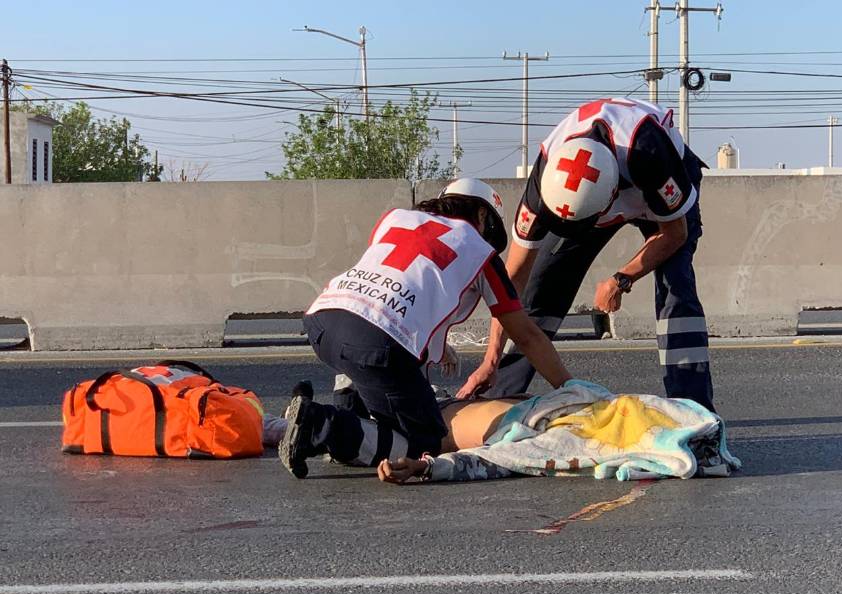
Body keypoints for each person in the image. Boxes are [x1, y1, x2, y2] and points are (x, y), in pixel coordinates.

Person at [278, 178, 572, 479]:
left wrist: (437, 346)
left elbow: (398, 284)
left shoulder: (394, 219)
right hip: (374, 345)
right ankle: (320, 425)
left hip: (323, 321)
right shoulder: (480, 253)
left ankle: (349, 404)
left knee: (379, 378)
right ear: (482, 216)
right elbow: (526, 334)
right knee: (426, 443)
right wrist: (571, 389)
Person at [458, 98, 715, 412]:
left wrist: (621, 279)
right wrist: (490, 359)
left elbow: (675, 235)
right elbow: (510, 285)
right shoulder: (542, 185)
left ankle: (695, 413)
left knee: (677, 286)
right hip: (591, 191)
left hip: (657, 185)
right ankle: (498, 399)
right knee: (541, 287)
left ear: (611, 201)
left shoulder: (648, 153)